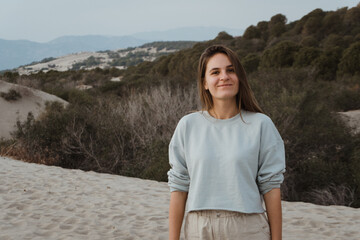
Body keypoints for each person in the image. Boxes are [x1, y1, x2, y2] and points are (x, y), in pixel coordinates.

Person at [167, 45, 286, 240]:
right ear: (205, 82)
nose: (224, 76)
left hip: (247, 228)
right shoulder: (188, 125)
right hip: (199, 229)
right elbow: (179, 188)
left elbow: (271, 188)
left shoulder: (261, 124)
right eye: (215, 72)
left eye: (230, 70)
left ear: (239, 78)